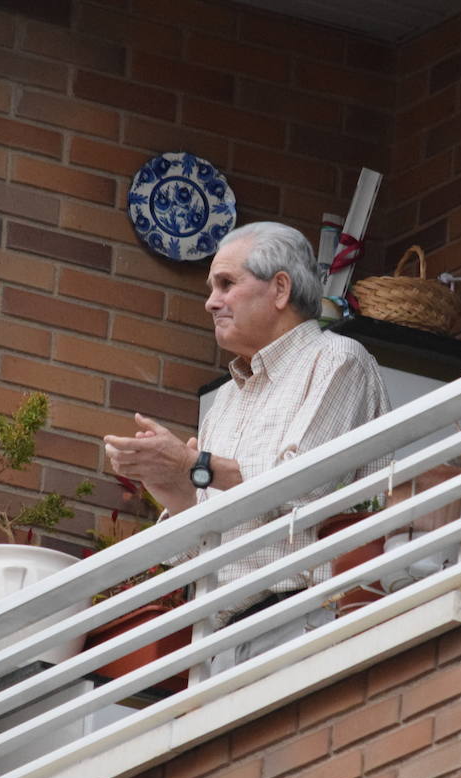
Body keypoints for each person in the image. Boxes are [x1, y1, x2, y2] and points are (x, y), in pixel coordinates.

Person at [103, 221, 390, 667]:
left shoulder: (336, 359)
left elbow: (302, 486)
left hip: (309, 615)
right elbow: (197, 545)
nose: (210, 301)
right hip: (222, 639)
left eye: (226, 283)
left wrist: (195, 464)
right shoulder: (226, 399)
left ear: (279, 289)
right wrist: (172, 483)